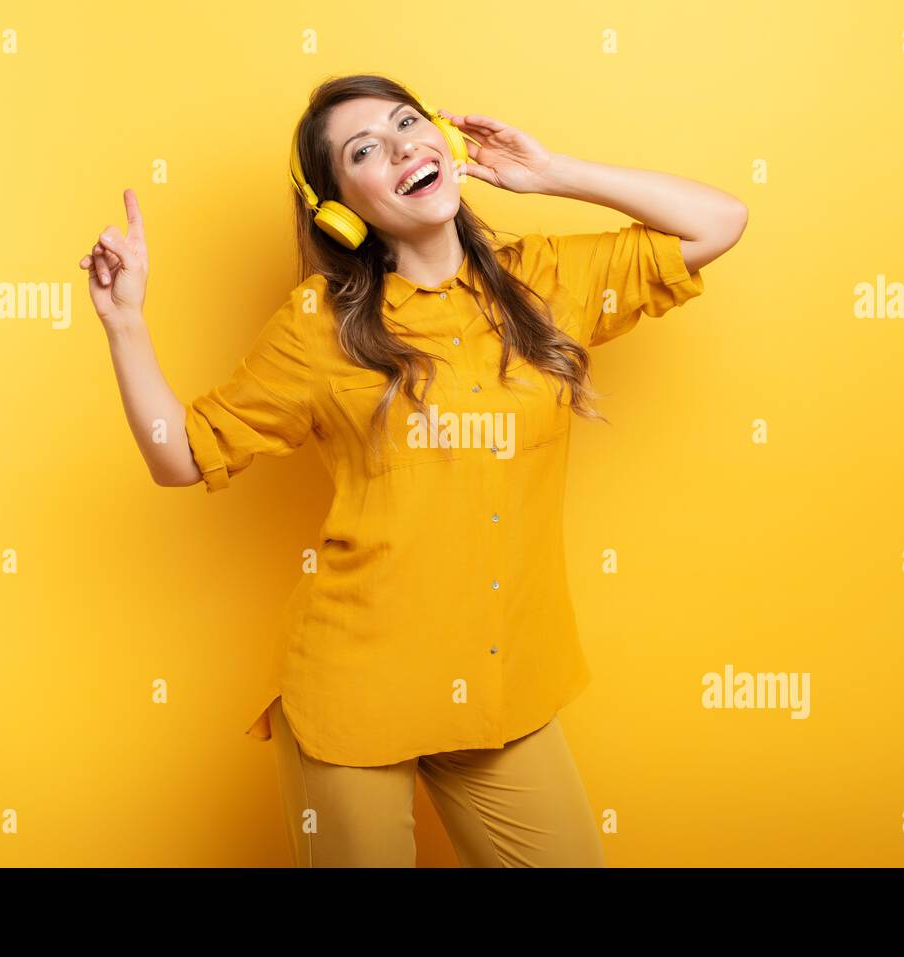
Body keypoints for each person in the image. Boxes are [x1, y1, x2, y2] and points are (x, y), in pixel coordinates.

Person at [79, 74, 747, 867]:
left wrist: (551, 173)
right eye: (365, 150)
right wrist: (124, 323)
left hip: (504, 688)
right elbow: (180, 455)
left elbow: (720, 221)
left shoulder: (546, 285)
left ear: (446, 141)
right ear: (339, 207)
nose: (400, 147)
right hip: (353, 694)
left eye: (407, 124)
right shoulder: (315, 329)